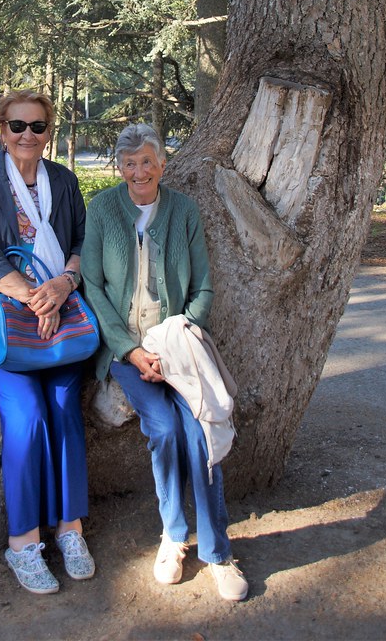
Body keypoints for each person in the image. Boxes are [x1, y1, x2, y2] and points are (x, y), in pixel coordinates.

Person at [80, 123, 248, 601]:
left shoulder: (183, 210)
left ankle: (217, 553)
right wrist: (131, 350)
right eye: (130, 163)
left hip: (179, 349)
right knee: (166, 429)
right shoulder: (102, 210)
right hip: (126, 353)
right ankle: (173, 537)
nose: (139, 172)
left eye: (147, 162)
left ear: (162, 165)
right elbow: (93, 287)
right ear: (120, 167)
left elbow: (203, 288)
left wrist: (177, 341)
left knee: (201, 432)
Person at [0, 89, 95, 595]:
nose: (27, 135)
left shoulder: (64, 181)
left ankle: (70, 529)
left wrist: (64, 286)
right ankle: (23, 542)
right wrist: (36, 299)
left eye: (37, 126)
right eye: (17, 126)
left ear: (48, 131)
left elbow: (82, 242)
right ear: (2, 130)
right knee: (27, 417)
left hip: (61, 319)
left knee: (64, 410)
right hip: (1, 318)